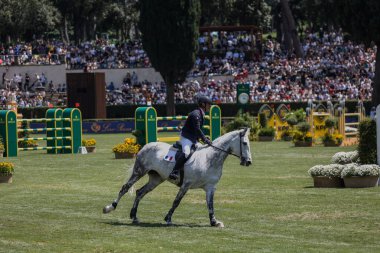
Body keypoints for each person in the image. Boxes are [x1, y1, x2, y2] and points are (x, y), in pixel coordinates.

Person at [169, 95, 213, 180]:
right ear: (203, 104)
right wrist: (205, 139)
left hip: (193, 138)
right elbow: (197, 129)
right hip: (186, 137)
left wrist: (204, 138)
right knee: (186, 153)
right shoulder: (195, 114)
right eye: (208, 104)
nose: (210, 106)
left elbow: (197, 130)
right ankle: (174, 171)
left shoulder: (201, 113)